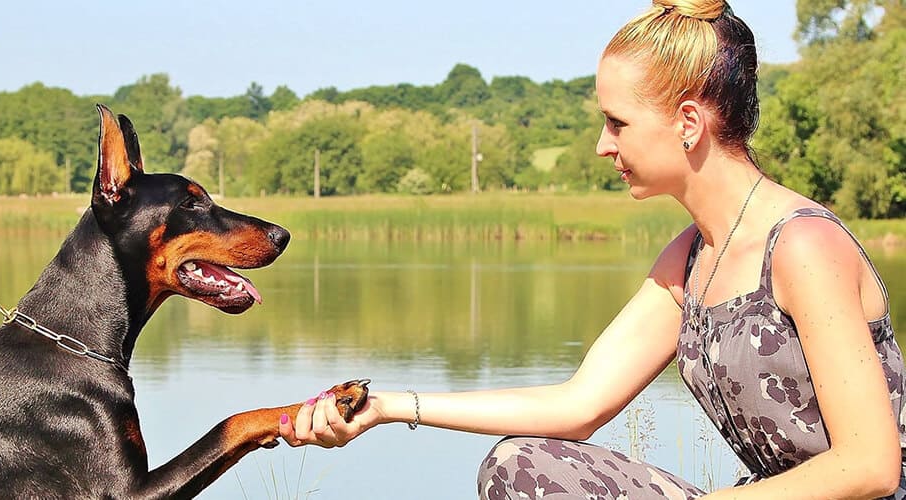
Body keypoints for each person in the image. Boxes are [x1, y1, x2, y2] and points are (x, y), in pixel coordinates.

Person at [280, 1, 906, 497]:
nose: (603, 145)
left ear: (688, 123)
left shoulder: (802, 245)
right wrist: (388, 407)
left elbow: (871, 465)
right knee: (519, 466)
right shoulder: (691, 259)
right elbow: (577, 404)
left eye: (617, 122)